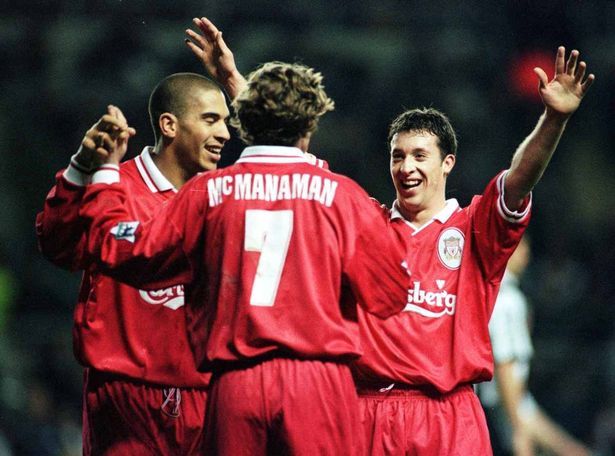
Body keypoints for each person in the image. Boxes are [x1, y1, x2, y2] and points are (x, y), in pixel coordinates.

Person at [184, 18, 595, 454]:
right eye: (398, 156)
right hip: (366, 411)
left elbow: (519, 179)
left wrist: (553, 120)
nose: (406, 167)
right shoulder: (361, 216)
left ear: (447, 163)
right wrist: (235, 81)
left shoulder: (476, 229)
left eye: (419, 155)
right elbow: (286, 152)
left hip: (448, 415)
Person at [77, 61, 411, 455]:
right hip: (317, 382)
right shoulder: (341, 196)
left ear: (244, 123)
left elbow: (125, 250)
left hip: (235, 383)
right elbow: (390, 295)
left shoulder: (208, 192)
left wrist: (106, 174)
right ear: (309, 127)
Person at [36, 73, 231, 454]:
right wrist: (80, 168)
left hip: (207, 394)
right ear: (169, 125)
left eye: (225, 121)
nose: (224, 133)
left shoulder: (222, 195)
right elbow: (57, 248)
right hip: (125, 395)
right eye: (211, 120)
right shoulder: (112, 185)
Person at [480, 237, 592, 456]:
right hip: (500, 413)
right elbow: (504, 365)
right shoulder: (507, 300)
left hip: (506, 408)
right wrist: (518, 429)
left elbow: (523, 402)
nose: (527, 253)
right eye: (522, 246)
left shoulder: (494, 292)